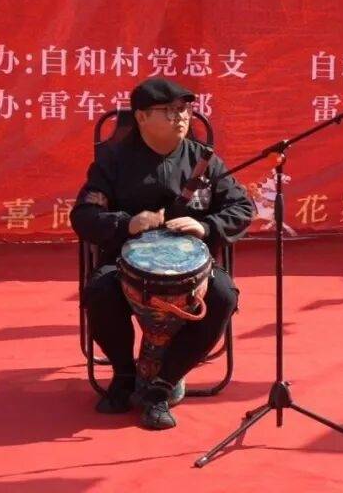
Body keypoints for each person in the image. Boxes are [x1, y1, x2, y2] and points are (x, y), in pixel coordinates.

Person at [71, 77, 254, 428]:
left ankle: (163, 384)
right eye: (168, 111)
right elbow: (84, 215)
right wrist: (127, 223)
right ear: (140, 117)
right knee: (100, 291)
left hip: (193, 271)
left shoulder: (204, 161)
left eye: (184, 109)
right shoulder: (113, 161)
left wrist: (207, 227)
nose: (180, 117)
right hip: (124, 263)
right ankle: (125, 376)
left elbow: (242, 208)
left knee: (223, 295)